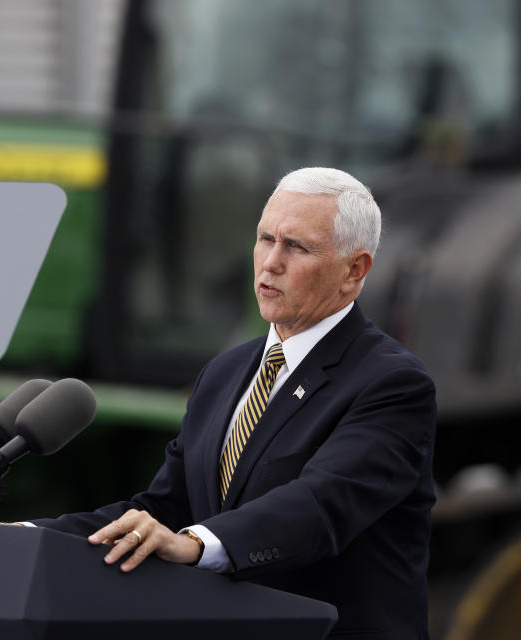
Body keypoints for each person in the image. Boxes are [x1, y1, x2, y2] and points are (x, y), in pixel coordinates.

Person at [34, 168, 437, 637]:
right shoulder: (224, 373)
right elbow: (164, 508)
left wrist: (195, 544)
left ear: (354, 271)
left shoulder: (392, 383)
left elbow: (320, 505)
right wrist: (15, 536)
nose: (270, 262)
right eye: (265, 239)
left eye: (297, 247)